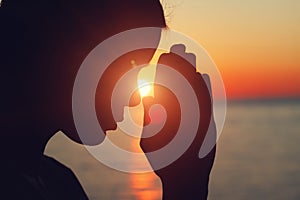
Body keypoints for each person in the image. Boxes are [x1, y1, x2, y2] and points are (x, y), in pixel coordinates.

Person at [0, 0, 215, 199]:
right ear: (57, 43)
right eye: (124, 64)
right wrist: (185, 184)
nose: (133, 100)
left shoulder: (58, 183)